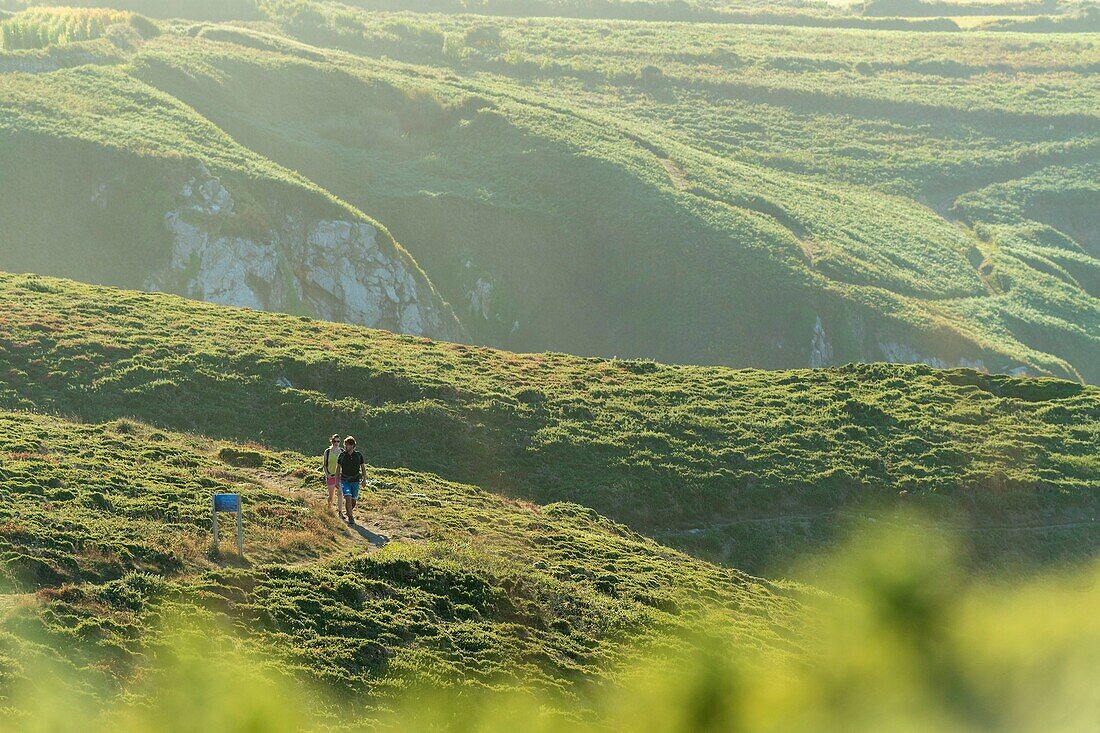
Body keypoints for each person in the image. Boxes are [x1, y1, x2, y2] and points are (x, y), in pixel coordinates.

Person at [337, 435, 366, 526]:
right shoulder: (342, 455)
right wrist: (336, 481)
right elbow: (338, 468)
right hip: (345, 480)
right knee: (348, 497)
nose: (345, 447)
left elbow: (363, 468)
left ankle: (348, 511)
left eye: (347, 445)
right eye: (345, 445)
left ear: (353, 445)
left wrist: (364, 479)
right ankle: (350, 517)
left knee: (353, 500)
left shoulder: (358, 455)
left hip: (355, 481)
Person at [321, 433, 343, 518]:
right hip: (330, 475)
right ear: (332, 441)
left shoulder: (342, 451)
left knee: (340, 493)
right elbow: (325, 465)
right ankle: (329, 508)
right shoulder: (327, 451)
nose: (336, 443)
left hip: (339, 476)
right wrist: (327, 475)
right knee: (331, 496)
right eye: (335, 441)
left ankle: (340, 512)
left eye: (338, 441)